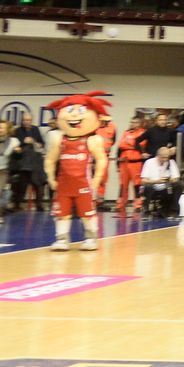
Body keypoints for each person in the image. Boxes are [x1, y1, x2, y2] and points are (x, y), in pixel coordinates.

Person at [44, 92, 111, 251]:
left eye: (80, 110)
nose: (74, 114)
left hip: (84, 184)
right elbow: (50, 159)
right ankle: (61, 239)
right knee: (62, 213)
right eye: (69, 109)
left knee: (87, 213)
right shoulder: (58, 139)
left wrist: (97, 178)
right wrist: (50, 178)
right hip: (64, 185)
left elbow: (102, 159)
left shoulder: (92, 140)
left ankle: (90, 238)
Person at [138, 146, 181, 218]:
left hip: (165, 188)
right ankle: (146, 211)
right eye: (163, 157)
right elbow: (143, 181)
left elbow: (176, 178)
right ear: (158, 156)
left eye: (167, 157)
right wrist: (156, 181)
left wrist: (170, 179)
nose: (165, 159)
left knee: (179, 184)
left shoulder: (171, 162)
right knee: (148, 186)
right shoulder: (149, 162)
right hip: (153, 188)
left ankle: (173, 211)